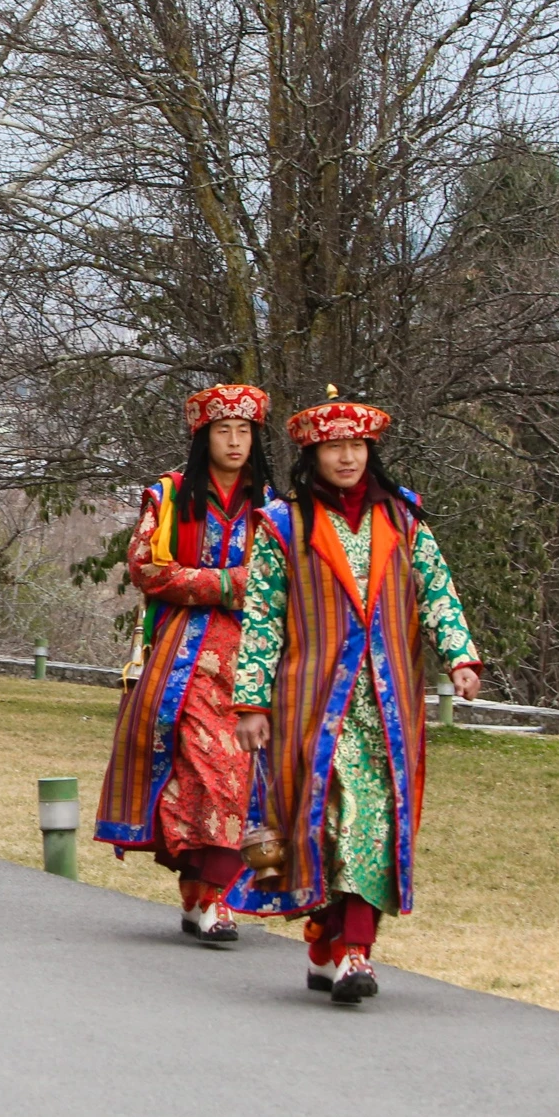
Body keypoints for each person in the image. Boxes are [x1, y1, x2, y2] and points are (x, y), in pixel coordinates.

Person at [230, 390, 482, 1004]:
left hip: (389, 703)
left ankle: (354, 953)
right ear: (312, 453)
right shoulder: (282, 526)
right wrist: (251, 701)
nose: (347, 457)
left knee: (370, 818)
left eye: (356, 445)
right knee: (327, 823)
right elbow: (262, 618)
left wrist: (460, 655)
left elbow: (438, 594)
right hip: (312, 703)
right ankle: (325, 939)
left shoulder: (403, 520)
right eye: (334, 446)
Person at [94, 384, 276, 943]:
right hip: (185, 654)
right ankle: (209, 897)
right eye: (224, 430)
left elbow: (285, 580)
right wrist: (227, 584)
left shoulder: (273, 506)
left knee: (238, 778)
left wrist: (254, 590)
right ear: (204, 437)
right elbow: (148, 567)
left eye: (244, 431)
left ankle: (206, 894)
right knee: (204, 771)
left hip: (255, 657)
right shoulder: (170, 497)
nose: (235, 441)